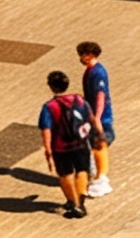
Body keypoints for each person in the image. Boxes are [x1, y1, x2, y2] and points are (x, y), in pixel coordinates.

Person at [38, 69, 99, 218]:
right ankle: (81, 201)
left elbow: (46, 129)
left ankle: (74, 203)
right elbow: (90, 117)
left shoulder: (49, 106)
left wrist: (48, 150)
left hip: (61, 147)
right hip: (81, 143)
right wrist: (98, 134)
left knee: (65, 174)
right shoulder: (79, 100)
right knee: (82, 171)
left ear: (51, 86)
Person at [76, 42, 116, 197]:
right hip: (93, 115)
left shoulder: (97, 73)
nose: (80, 58)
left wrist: (97, 118)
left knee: (99, 145)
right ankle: (96, 176)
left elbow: (101, 95)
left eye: (82, 54)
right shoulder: (91, 71)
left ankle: (101, 179)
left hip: (100, 117)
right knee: (94, 145)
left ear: (90, 55)